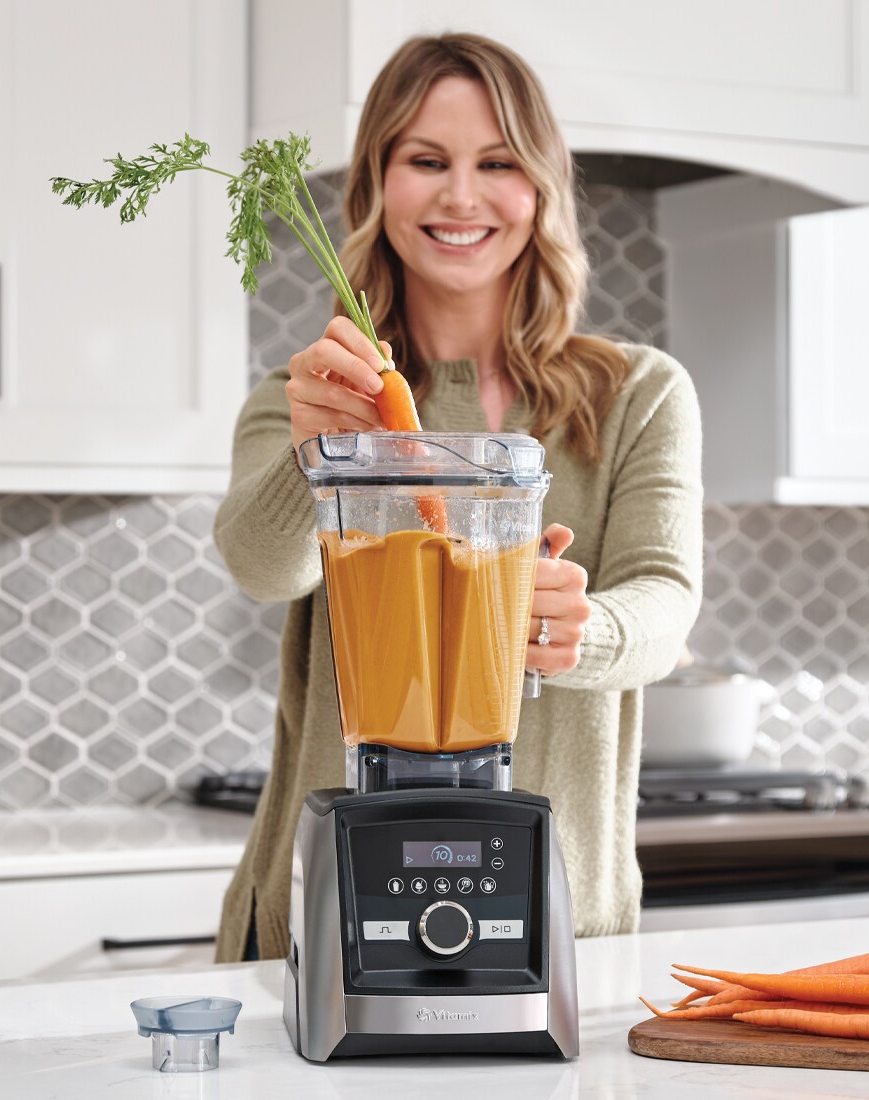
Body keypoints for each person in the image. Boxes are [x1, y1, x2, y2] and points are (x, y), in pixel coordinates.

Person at [212, 32, 703, 962]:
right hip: (323, 913)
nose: (462, 196)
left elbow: (666, 603)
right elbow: (261, 564)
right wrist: (316, 454)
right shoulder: (311, 393)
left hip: (563, 912)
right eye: (426, 160)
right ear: (377, 186)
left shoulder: (639, 393)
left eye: (499, 163)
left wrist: (579, 625)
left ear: (543, 189)